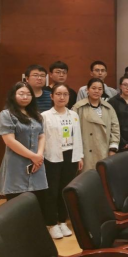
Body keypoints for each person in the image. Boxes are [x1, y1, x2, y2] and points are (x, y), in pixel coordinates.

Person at [41, 84, 83, 239]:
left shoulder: (73, 115)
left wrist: (79, 156)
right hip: (51, 156)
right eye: (58, 94)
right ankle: (51, 223)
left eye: (65, 94)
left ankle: (62, 221)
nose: (62, 97)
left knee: (65, 190)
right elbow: (41, 138)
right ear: (52, 96)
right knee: (52, 191)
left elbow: (77, 136)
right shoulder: (45, 116)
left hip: (70, 156)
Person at [0, 82, 47, 209]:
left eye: (28, 94)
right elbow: (9, 141)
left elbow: (41, 135)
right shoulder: (6, 114)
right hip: (17, 164)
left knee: (37, 203)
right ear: (13, 95)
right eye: (21, 93)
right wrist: (33, 156)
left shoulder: (36, 114)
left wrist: (39, 155)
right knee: (16, 206)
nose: (25, 97)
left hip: (37, 164)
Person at [72, 78, 120, 171]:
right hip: (85, 152)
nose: (96, 91)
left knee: (102, 175)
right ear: (87, 89)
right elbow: (73, 132)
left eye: (100, 89)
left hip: (104, 150)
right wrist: (78, 155)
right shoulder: (78, 107)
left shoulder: (108, 107)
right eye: (93, 88)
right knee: (87, 177)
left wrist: (113, 149)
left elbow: (115, 128)